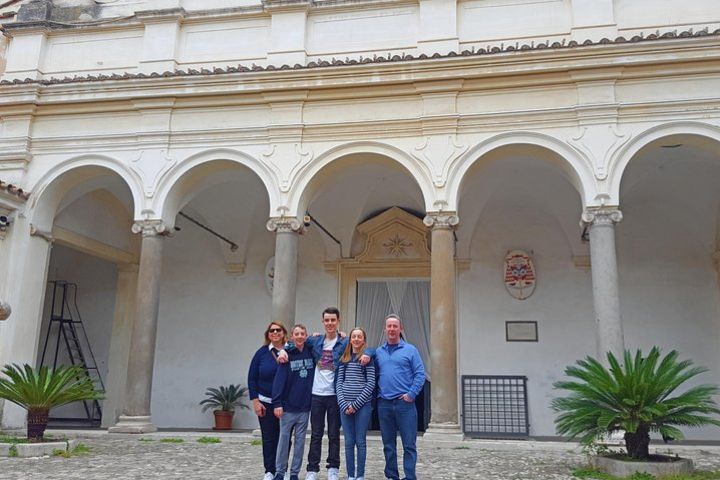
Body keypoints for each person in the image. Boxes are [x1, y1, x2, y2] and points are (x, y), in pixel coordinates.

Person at [279, 307, 371, 480]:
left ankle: (333, 468)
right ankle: (312, 469)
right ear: (323, 322)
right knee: (316, 433)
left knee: (334, 433)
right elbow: (296, 343)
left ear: (338, 321)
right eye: (327, 320)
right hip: (316, 394)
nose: (330, 323)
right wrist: (284, 349)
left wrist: (369, 352)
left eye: (333, 320)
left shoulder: (344, 342)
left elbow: (364, 347)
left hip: (335, 394)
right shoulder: (315, 341)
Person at [375, 314, 426, 480]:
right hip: (384, 404)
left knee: (409, 445)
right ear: (384, 329)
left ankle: (410, 477)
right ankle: (391, 476)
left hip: (405, 405)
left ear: (400, 329)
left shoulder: (410, 350)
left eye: (394, 326)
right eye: (388, 326)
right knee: (388, 445)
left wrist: (411, 395)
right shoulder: (378, 352)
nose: (391, 329)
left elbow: (420, 374)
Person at [271, 324, 315, 480]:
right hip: (288, 407)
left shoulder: (311, 353)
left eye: (303, 333)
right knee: (283, 441)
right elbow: (279, 381)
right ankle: (280, 472)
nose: (300, 336)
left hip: (304, 407)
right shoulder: (286, 354)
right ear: (292, 336)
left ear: (306, 335)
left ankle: (294, 473)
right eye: (297, 333)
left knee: (300, 443)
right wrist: (277, 403)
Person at [248, 322, 288, 480]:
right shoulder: (261, 353)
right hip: (265, 401)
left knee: (284, 439)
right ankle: (269, 471)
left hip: (285, 403)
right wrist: (256, 401)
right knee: (269, 438)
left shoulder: (290, 351)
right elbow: (252, 379)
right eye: (272, 330)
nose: (275, 332)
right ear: (268, 334)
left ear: (284, 333)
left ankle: (281, 470)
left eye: (279, 330)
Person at [336, 327, 376, 480]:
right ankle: (350, 475)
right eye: (354, 336)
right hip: (344, 407)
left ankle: (360, 475)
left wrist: (356, 404)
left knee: (360, 441)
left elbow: (370, 383)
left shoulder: (367, 359)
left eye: (360, 336)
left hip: (362, 407)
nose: (357, 339)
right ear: (350, 339)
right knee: (348, 442)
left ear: (364, 340)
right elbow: (339, 383)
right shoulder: (344, 359)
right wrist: (344, 404)